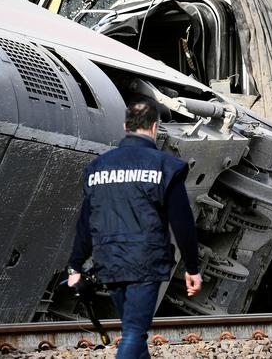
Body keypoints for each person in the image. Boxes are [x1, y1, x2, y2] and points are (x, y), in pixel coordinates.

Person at [67, 100, 202, 358]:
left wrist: (74, 266)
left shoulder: (98, 167)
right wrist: (192, 269)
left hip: (109, 262)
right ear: (154, 127)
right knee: (133, 333)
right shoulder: (164, 166)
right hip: (146, 261)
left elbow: (86, 222)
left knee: (133, 331)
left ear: (124, 126)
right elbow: (182, 222)